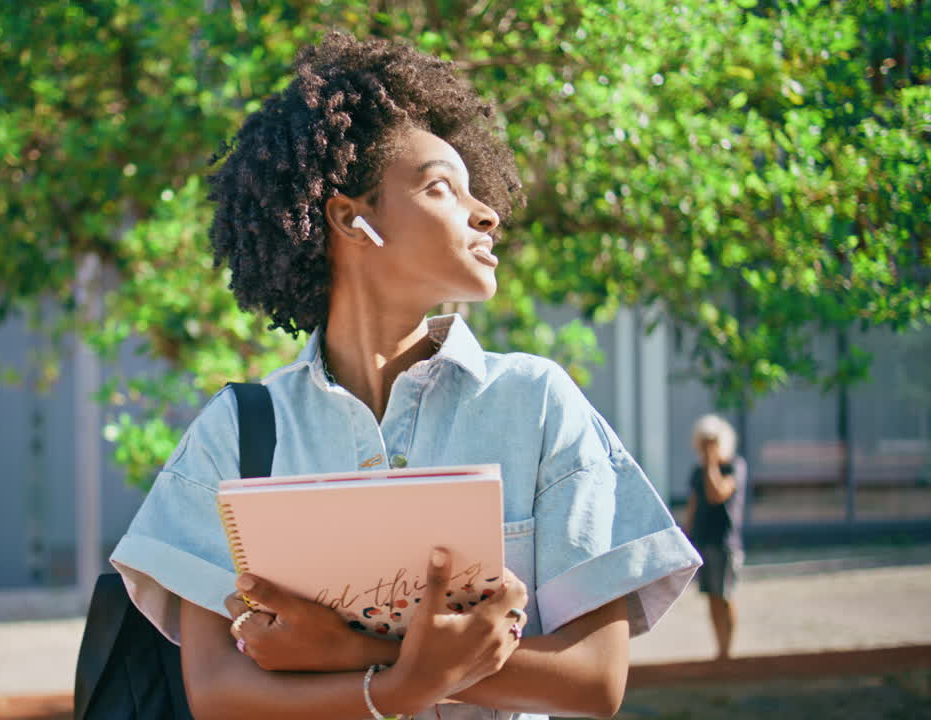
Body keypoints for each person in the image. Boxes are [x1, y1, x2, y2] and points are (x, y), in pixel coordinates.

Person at [110, 31, 701, 719]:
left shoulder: (535, 403)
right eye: (442, 188)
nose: (487, 214)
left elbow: (594, 679)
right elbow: (215, 693)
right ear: (352, 220)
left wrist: (346, 650)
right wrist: (404, 684)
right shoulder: (235, 434)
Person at [682, 414, 747, 661]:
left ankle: (727, 650)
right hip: (704, 540)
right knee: (711, 597)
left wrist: (711, 462)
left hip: (725, 542)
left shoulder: (734, 466)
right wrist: (685, 539)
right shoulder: (697, 471)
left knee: (725, 594)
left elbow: (716, 493)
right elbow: (694, 504)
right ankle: (719, 650)